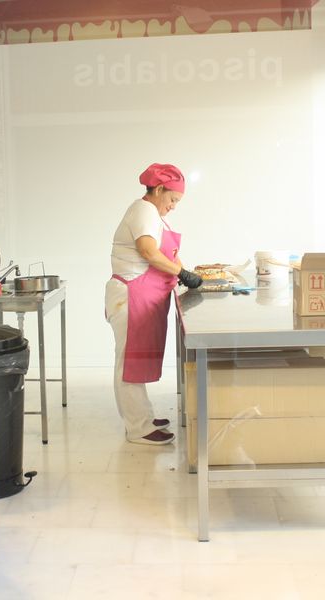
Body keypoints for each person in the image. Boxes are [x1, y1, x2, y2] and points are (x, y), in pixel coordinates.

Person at [104, 163, 203, 445]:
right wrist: (182, 273)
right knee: (129, 361)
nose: (173, 206)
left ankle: (143, 417)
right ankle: (138, 428)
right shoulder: (144, 210)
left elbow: (168, 254)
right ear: (158, 189)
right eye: (172, 199)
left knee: (136, 359)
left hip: (140, 296)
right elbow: (148, 252)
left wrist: (185, 271)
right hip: (130, 295)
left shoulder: (153, 216)